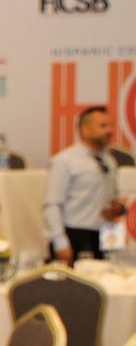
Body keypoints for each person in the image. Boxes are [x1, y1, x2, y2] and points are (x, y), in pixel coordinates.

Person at [44, 105, 126, 263]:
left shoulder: (109, 160)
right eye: (103, 126)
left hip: (106, 233)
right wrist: (60, 242)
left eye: (110, 125)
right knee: (74, 286)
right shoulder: (64, 161)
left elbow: (113, 197)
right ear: (85, 130)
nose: (109, 130)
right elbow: (52, 204)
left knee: (109, 282)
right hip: (76, 233)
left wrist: (119, 208)